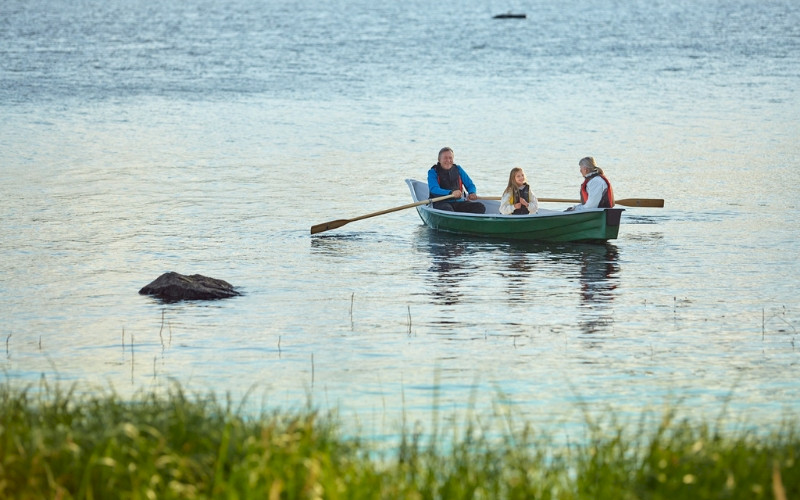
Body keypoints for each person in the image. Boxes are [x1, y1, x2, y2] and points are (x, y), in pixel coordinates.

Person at [427, 147, 486, 213]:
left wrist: (472, 192)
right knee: (448, 210)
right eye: (445, 158)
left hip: (458, 202)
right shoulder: (433, 172)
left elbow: (470, 185)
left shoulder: (458, 169)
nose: (448, 160)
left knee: (480, 207)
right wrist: (451, 193)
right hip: (441, 202)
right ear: (439, 160)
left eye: (450, 158)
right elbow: (434, 189)